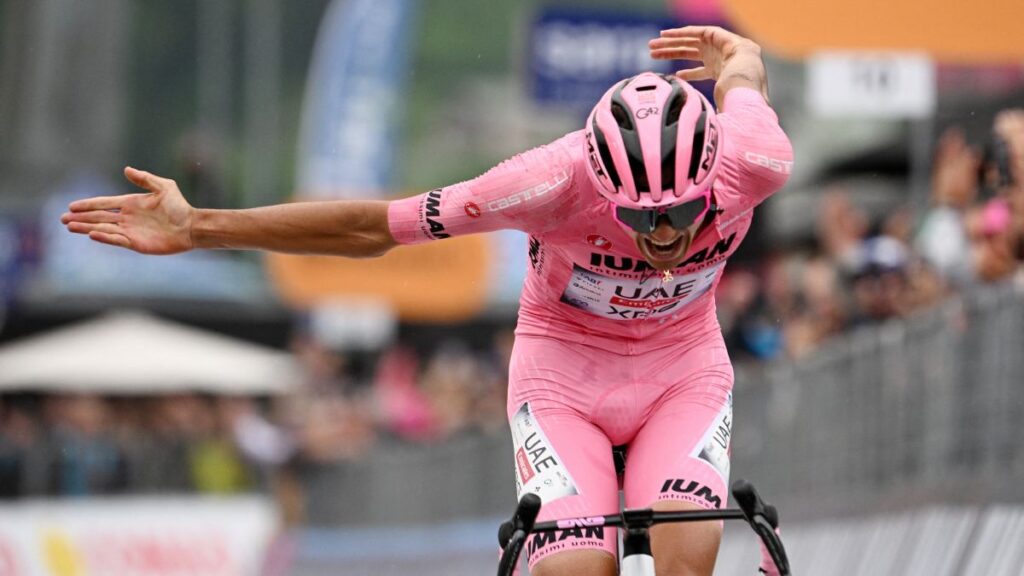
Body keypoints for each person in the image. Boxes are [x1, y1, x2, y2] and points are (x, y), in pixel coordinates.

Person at [63, 26, 792, 576]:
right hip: (563, 377)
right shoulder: (545, 181)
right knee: (577, 571)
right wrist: (201, 228)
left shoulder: (754, 159)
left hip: (682, 371)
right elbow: (370, 226)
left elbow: (746, 74)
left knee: (688, 558)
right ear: (599, 185)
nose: (662, 235)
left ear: (715, 175)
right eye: (637, 218)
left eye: (683, 213)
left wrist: (740, 61)